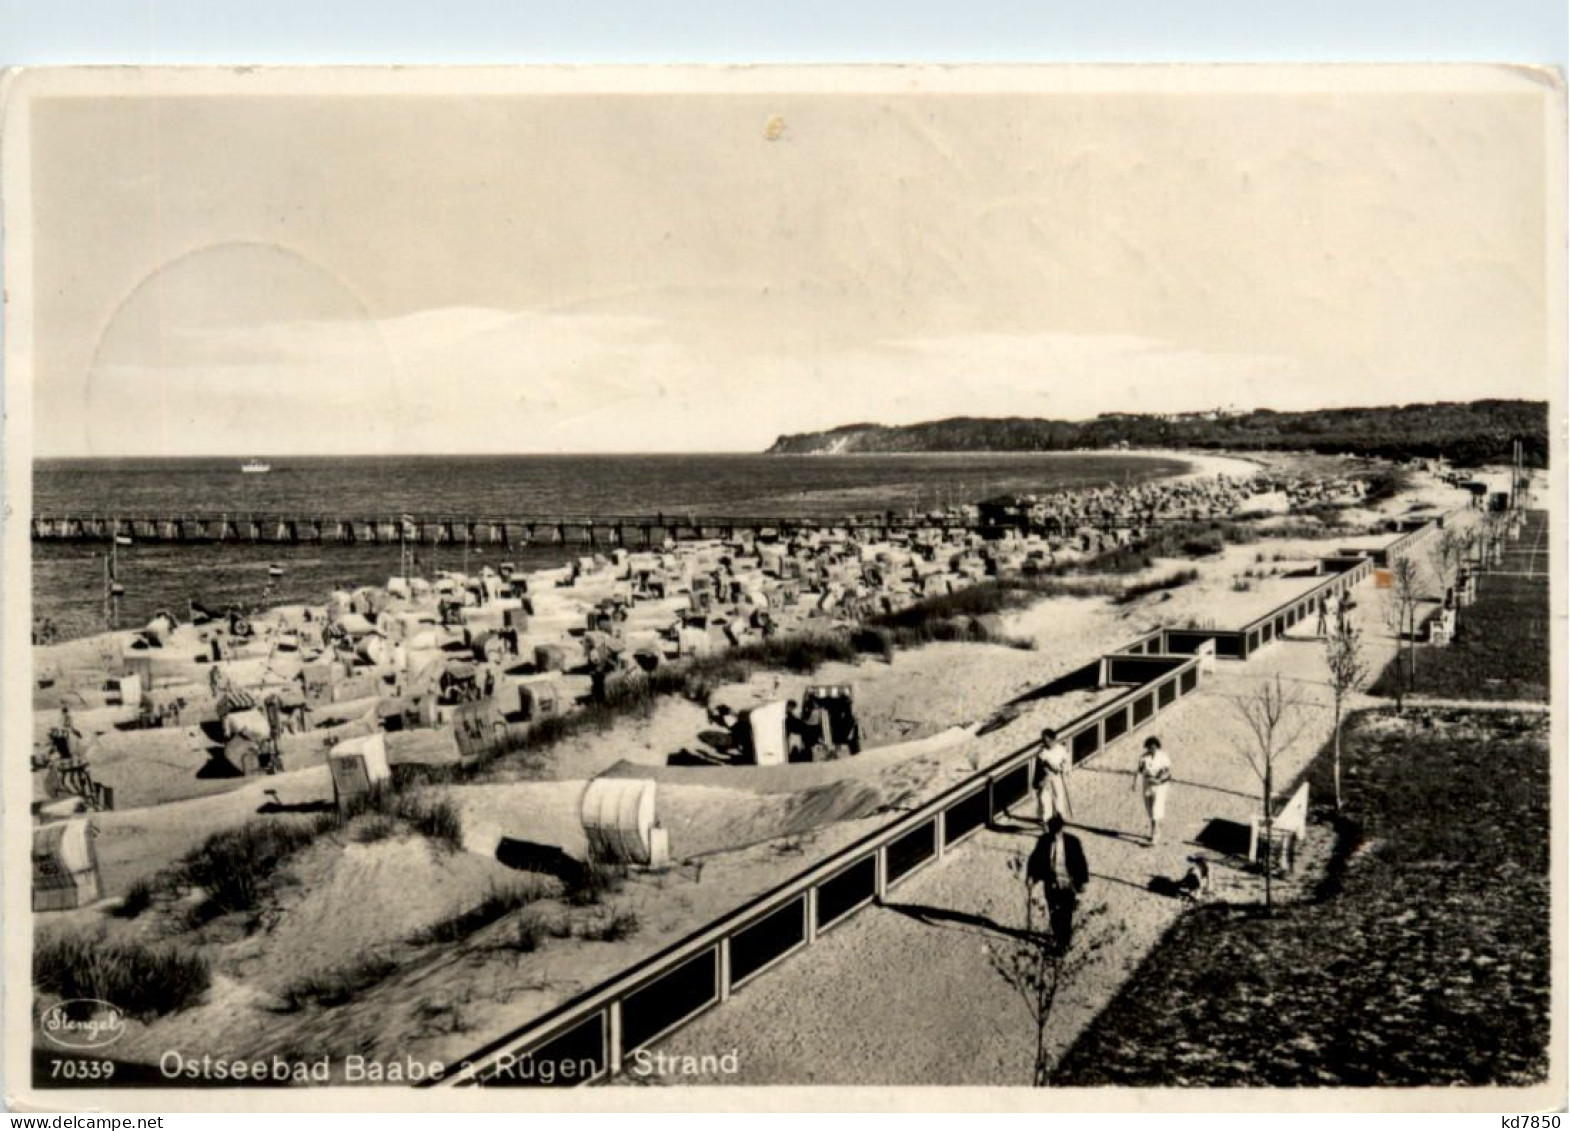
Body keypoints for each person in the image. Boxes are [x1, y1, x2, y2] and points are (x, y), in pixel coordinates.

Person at [1026, 815, 1090, 953]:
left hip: (1068, 883)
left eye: (1056, 830)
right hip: (1051, 883)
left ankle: (1063, 943)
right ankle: (1058, 937)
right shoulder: (1044, 841)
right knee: (1054, 912)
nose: (1054, 834)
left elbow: (1081, 862)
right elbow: (1035, 859)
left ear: (1061, 829)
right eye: (1051, 830)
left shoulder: (1072, 842)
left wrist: (1083, 881)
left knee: (1066, 913)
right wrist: (1031, 877)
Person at [1134, 736, 1173, 846]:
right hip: (1147, 786)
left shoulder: (1163, 757)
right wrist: (1135, 783)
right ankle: (1155, 831)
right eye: (1150, 747)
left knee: (1156, 810)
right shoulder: (1143, 758)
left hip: (1160, 787)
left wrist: (1159, 780)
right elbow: (1139, 771)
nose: (1152, 749)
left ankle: (1154, 837)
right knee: (1150, 811)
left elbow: (1167, 772)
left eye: (1154, 747)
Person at [1033, 727, 1073, 825]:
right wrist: (1038, 780)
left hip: (1057, 777)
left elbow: (1066, 761)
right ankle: (1046, 818)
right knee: (1044, 797)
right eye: (1044, 740)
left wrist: (1064, 769)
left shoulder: (1061, 749)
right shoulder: (1042, 752)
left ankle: (1059, 816)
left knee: (1059, 795)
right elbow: (1040, 766)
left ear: (1053, 739)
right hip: (1046, 777)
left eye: (1048, 740)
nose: (1046, 743)